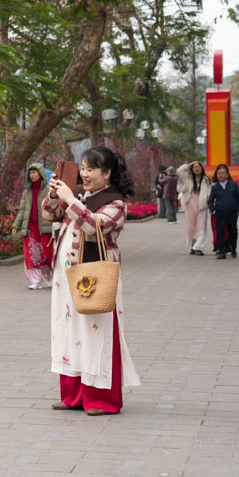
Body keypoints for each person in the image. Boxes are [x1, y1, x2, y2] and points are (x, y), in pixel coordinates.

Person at [42, 146, 141, 416]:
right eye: (82, 169)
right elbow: (49, 215)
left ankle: (102, 399)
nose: (84, 174)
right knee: (69, 330)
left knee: (95, 332)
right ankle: (73, 394)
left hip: (95, 277)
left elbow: (95, 225)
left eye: (91, 169)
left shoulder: (116, 202)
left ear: (107, 173)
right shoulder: (81, 196)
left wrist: (70, 200)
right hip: (68, 275)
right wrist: (54, 195)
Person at [12, 164, 54, 289]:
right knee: (33, 255)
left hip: (45, 227)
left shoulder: (48, 190)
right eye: (30, 173)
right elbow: (22, 211)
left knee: (47, 254)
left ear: (40, 173)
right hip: (31, 228)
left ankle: (49, 276)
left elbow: (55, 207)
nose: (32, 175)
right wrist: (16, 225)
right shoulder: (27, 192)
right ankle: (36, 280)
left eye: (35, 172)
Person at [207, 163, 239, 259]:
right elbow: (210, 201)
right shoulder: (215, 187)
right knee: (220, 232)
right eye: (218, 173)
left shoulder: (233, 185)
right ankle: (222, 252)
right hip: (219, 214)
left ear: (227, 175)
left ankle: (233, 249)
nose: (220, 175)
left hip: (232, 213)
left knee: (233, 232)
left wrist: (238, 211)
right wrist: (213, 210)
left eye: (222, 173)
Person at [176, 161, 211, 256]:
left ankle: (199, 248)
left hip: (202, 205)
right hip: (190, 204)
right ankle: (194, 245)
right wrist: (189, 164)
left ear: (202, 168)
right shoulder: (188, 178)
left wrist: (208, 199)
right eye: (194, 167)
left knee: (201, 226)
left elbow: (209, 191)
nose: (197, 168)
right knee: (191, 225)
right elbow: (179, 171)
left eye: (198, 166)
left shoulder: (206, 180)